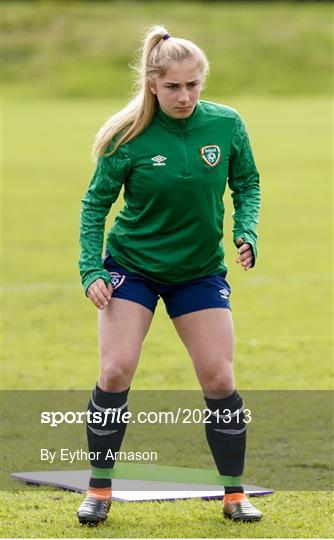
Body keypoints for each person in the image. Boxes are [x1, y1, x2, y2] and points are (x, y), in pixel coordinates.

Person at [77, 25, 262, 526]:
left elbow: (246, 182)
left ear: (203, 81)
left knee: (220, 378)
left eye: (193, 85)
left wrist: (246, 230)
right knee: (115, 371)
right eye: (174, 87)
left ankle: (233, 494)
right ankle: (98, 488)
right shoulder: (128, 136)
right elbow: (96, 205)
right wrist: (91, 268)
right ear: (152, 85)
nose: (185, 96)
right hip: (131, 268)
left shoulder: (226, 124)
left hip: (198, 272)